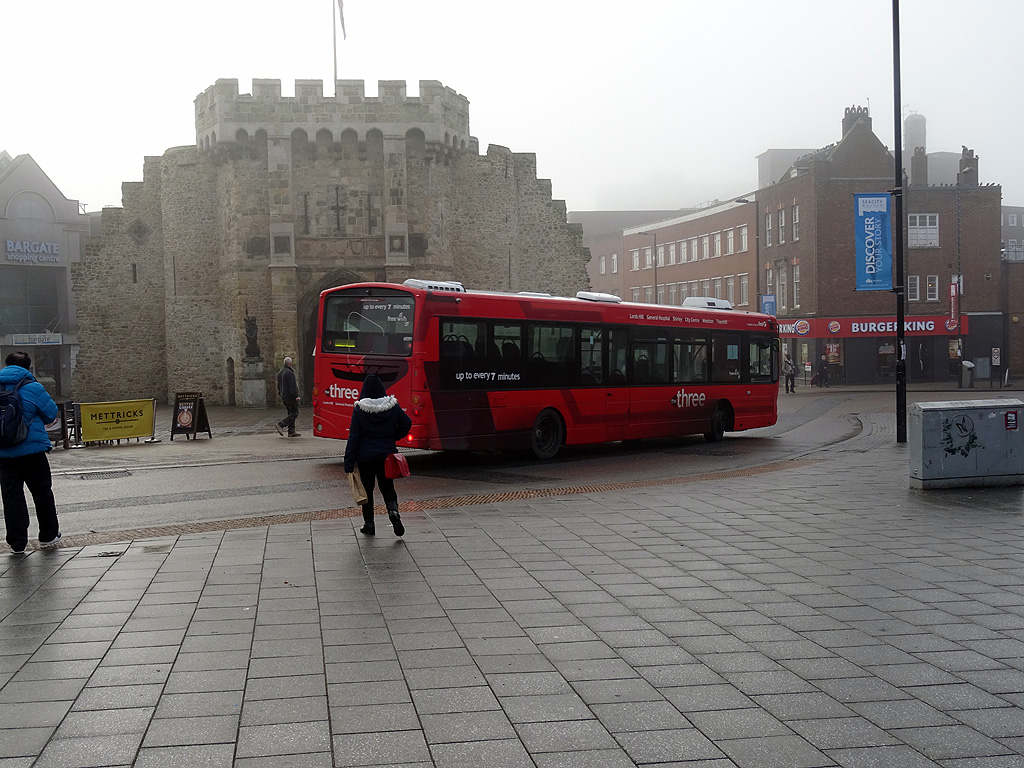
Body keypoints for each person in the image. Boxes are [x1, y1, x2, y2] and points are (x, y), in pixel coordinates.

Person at [1, 352, 61, 554]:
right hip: (33, 450)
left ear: (6, 365)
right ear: (28, 367)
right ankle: (48, 535)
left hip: (4, 453)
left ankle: (17, 542)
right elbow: (51, 413)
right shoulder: (33, 387)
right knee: (42, 492)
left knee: (12, 497)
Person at [343, 374, 412, 538]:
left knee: (367, 490)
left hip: (365, 457)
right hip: (386, 456)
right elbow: (407, 423)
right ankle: (393, 512)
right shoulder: (392, 406)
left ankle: (369, 524)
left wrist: (349, 462)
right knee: (387, 487)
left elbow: (354, 436)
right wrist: (394, 436)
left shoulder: (360, 409)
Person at [275, 356, 301, 437]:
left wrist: (280, 393)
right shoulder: (289, 373)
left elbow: (278, 385)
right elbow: (292, 386)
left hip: (284, 395)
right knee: (295, 413)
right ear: (290, 363)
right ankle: (281, 424)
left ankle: (291, 431)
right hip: (290, 396)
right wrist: (296, 396)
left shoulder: (280, 372)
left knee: (290, 412)